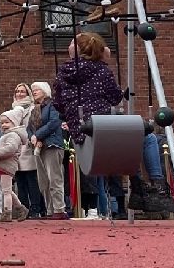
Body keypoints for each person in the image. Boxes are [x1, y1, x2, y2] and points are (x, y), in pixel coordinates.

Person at [53, 32, 125, 218]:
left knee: (87, 165)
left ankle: (94, 206)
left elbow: (58, 102)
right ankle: (118, 203)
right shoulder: (101, 70)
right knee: (115, 158)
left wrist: (69, 113)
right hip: (101, 124)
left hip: (77, 126)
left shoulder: (64, 71)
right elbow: (115, 97)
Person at [28, 81, 67, 220]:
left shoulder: (53, 106)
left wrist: (37, 135)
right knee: (43, 180)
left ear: (45, 91)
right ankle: (50, 210)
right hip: (39, 147)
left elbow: (53, 123)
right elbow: (29, 128)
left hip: (52, 145)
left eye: (37, 89)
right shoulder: (34, 109)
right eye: (32, 90)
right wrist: (32, 137)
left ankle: (59, 209)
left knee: (54, 178)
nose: (34, 92)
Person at [7, 83, 44, 218]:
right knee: (20, 182)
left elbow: (35, 125)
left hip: (28, 147)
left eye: (23, 91)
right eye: (17, 91)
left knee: (32, 181)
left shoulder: (33, 108)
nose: (19, 94)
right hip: (16, 148)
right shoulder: (12, 109)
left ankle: (36, 209)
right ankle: (24, 209)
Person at [0, 110, 29, 222]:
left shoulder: (13, 135)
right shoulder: (9, 135)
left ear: (14, 123)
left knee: (6, 191)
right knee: (7, 190)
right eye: (2, 123)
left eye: (7, 122)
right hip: (2, 165)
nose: (4, 125)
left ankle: (7, 212)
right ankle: (20, 208)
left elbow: (10, 149)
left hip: (6, 165)